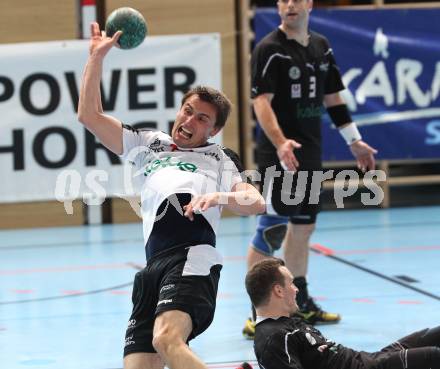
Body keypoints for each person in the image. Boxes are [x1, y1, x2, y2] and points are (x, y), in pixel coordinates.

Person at [78, 22, 265, 369]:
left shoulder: (221, 158)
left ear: (215, 130)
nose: (190, 120)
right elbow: (89, 116)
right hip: (152, 269)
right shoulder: (149, 143)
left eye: (203, 118)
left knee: (167, 338)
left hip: (192, 257)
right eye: (188, 111)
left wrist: (221, 197)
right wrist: (96, 59)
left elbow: (256, 202)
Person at [243, 0, 378, 338]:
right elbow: (261, 103)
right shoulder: (269, 49)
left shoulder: (321, 46)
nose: (290, 5)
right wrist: (280, 142)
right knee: (272, 229)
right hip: (280, 154)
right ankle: (258, 313)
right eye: (283, 0)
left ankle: (298, 301)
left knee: (303, 228)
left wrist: (355, 141)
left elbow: (333, 98)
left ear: (309, 5)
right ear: (278, 7)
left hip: (310, 151)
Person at [245, 258, 440, 369]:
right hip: (369, 368)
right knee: (433, 356)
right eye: (291, 284)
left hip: (369, 358)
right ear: (278, 291)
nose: (296, 289)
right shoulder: (274, 339)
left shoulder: (286, 321)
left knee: (431, 335)